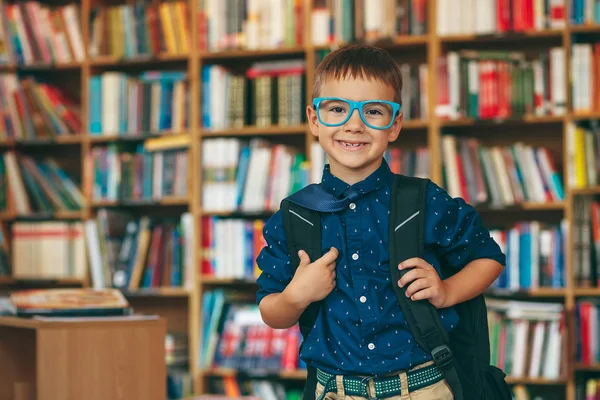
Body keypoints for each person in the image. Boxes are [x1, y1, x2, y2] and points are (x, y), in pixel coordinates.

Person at [255, 44, 506, 400]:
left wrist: (446, 291)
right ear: (314, 119)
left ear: (394, 124)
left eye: (373, 111)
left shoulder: (424, 201)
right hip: (336, 392)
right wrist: (296, 296)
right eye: (337, 109)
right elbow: (272, 310)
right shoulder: (295, 216)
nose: (353, 125)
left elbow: (488, 257)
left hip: (424, 388)